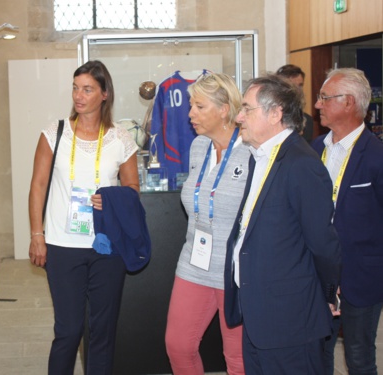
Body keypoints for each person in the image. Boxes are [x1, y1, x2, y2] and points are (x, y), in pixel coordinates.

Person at [223, 75, 342, 374]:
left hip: (290, 320)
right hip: (259, 314)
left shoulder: (301, 164)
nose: (239, 117)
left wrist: (328, 294)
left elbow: (322, 243)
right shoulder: (259, 157)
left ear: (275, 113)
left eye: (247, 109)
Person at [28, 60, 139, 374]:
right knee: (68, 330)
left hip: (107, 247)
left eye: (87, 89)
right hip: (62, 246)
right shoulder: (55, 133)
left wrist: (111, 199)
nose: (79, 95)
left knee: (102, 332)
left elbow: (133, 189)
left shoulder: (120, 139)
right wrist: (37, 235)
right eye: (76, 88)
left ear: (104, 94)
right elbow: (37, 185)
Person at [164, 72, 247, 375]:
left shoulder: (252, 151)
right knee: (178, 346)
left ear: (224, 109)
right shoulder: (199, 146)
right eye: (191, 106)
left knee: (236, 357)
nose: (190, 114)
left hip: (235, 270)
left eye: (199, 107)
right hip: (194, 262)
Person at [312, 68, 383, 375]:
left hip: (360, 277)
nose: (317, 105)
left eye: (325, 98)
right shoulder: (313, 150)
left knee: (359, 357)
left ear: (349, 103)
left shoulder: (377, 156)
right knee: (316, 353)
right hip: (315, 275)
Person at [276, 64, 314, 142]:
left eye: (300, 85)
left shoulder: (308, 121)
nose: (297, 90)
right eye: (292, 85)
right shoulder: (269, 118)